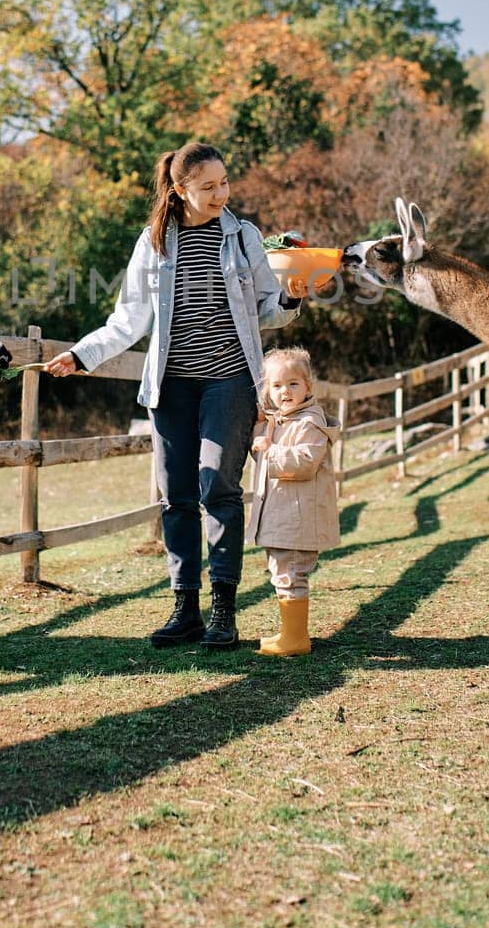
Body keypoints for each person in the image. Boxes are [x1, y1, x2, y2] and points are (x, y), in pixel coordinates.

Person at [45, 140, 303, 649]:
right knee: (177, 496)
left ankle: (223, 612)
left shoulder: (243, 236)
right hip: (172, 386)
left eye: (225, 183)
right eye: (208, 187)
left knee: (218, 490)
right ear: (180, 189)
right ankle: (185, 606)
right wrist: (82, 355)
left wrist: (292, 296)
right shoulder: (156, 241)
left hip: (230, 380)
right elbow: (128, 320)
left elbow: (265, 310)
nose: (221, 194)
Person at [246, 346, 340, 656]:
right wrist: (262, 429)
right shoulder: (283, 420)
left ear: (308, 386)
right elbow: (264, 442)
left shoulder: (308, 423)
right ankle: (290, 632)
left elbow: (304, 461)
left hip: (298, 518)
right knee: (282, 571)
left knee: (291, 572)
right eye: (276, 385)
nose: (285, 391)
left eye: (293, 384)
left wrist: (268, 450)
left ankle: (296, 638)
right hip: (285, 515)